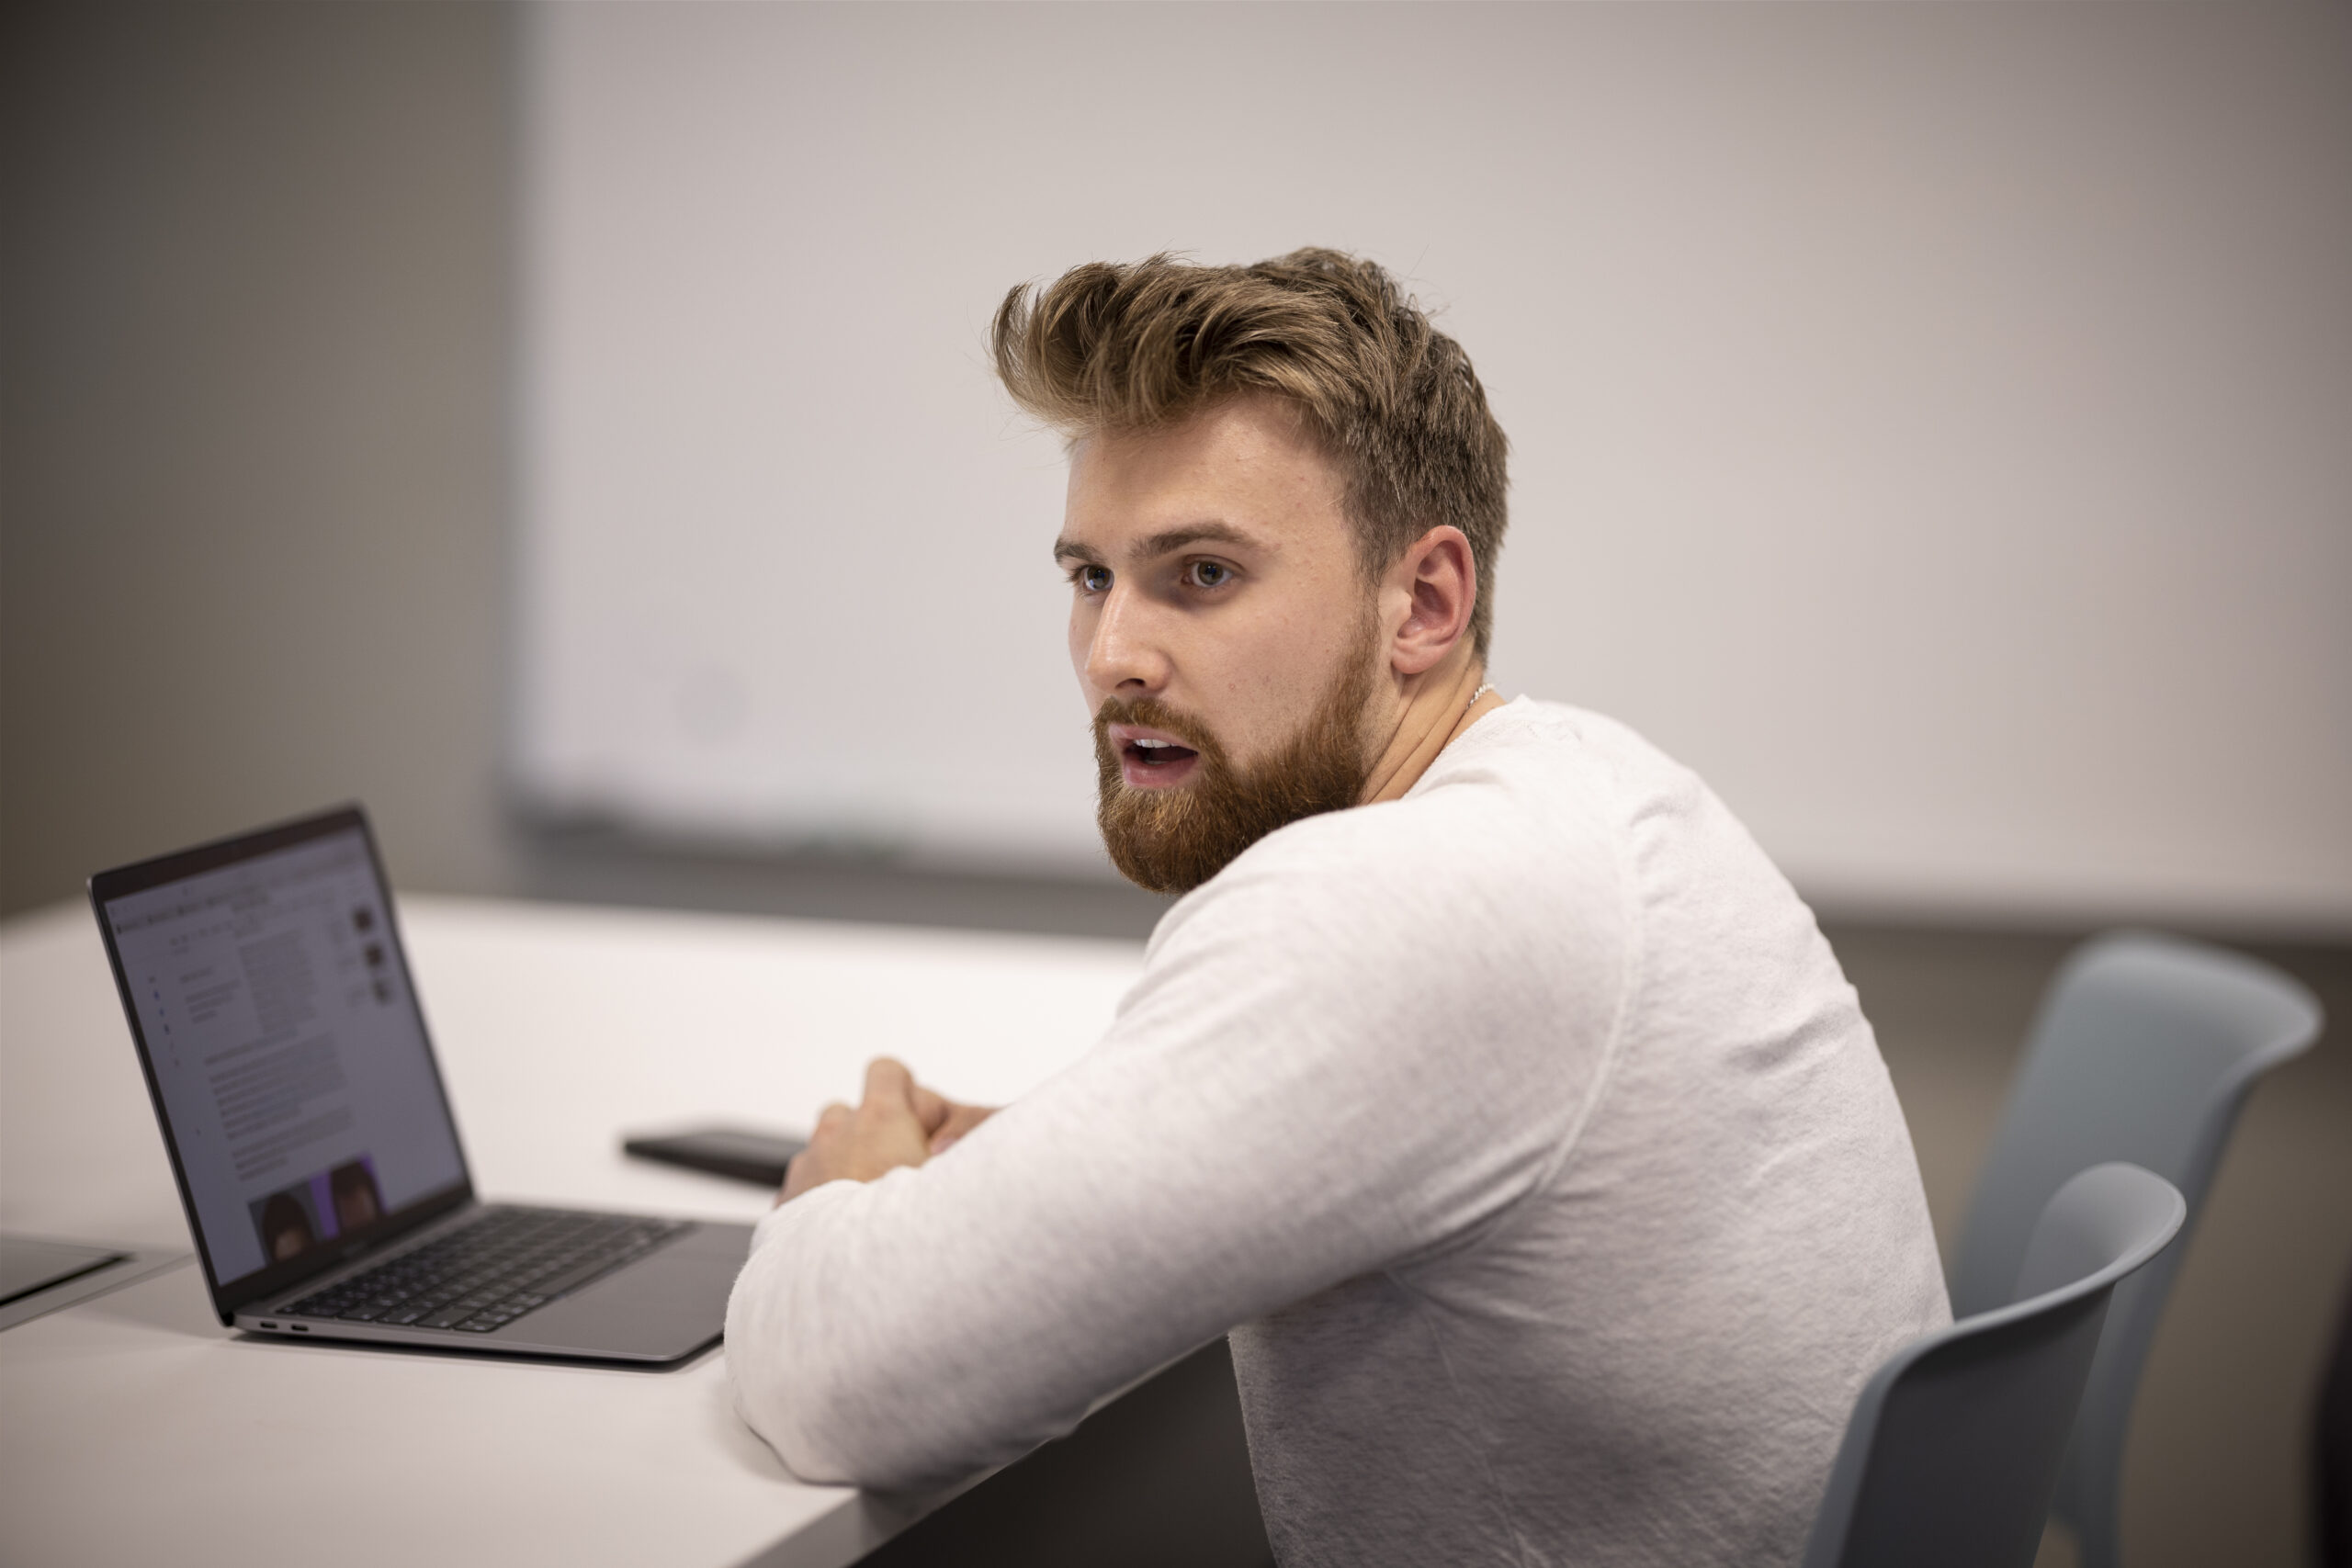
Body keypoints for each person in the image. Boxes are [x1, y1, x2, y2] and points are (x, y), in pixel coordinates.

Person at [725, 249, 1950, 1565]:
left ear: (1423, 601)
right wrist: (1081, 1154)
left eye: (1200, 575)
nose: (1114, 656)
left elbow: (839, 1386)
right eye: (1091, 577)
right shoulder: (1579, 791)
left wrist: (844, 1201)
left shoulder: (1408, 905)